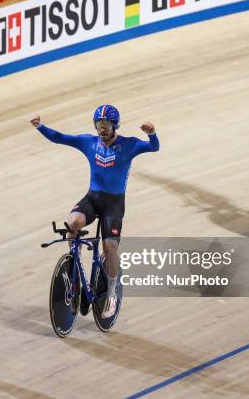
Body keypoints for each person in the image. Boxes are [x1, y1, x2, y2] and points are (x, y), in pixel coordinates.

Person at [30, 105, 159, 319]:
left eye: (106, 125)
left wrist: (152, 133)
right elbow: (60, 138)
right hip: (93, 197)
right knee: (73, 222)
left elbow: (153, 147)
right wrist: (40, 126)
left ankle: (110, 293)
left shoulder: (129, 144)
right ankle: (75, 270)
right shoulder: (89, 142)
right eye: (99, 125)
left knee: (110, 247)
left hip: (113, 205)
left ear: (115, 125)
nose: (102, 129)